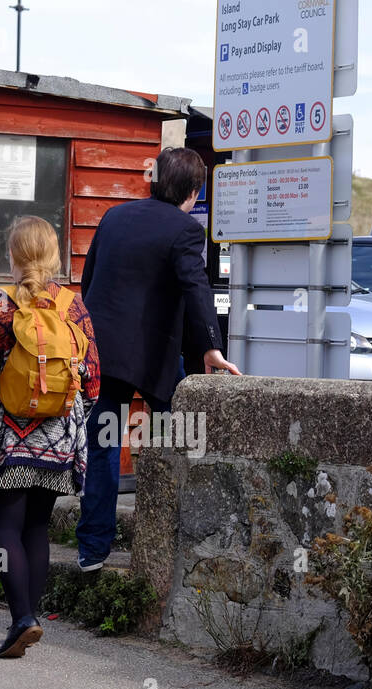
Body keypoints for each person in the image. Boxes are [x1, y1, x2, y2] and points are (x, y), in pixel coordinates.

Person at [75, 147, 240, 571]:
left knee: (104, 444)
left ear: (154, 180)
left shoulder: (114, 217)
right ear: (194, 191)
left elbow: (89, 279)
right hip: (154, 360)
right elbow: (196, 287)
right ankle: (161, 539)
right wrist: (211, 347)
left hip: (103, 352)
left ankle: (93, 548)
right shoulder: (184, 229)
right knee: (168, 441)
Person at [0, 215, 101, 659]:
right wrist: (70, 421)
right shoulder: (73, 306)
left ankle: (22, 619)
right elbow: (93, 378)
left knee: (4, 525)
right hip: (58, 437)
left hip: (7, 436)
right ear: (55, 255)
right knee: (37, 527)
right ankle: (29, 616)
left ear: (13, 255)